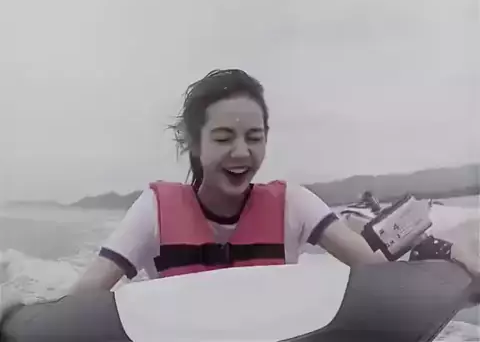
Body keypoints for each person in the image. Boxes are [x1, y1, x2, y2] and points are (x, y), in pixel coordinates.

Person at [68, 69, 477, 294]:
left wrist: (444, 251)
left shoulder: (293, 204)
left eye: (254, 137)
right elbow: (81, 301)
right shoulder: (153, 211)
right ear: (194, 142)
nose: (241, 152)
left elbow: (375, 268)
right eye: (223, 138)